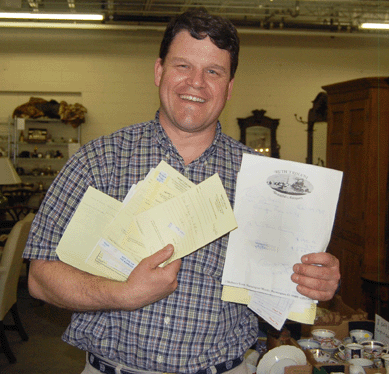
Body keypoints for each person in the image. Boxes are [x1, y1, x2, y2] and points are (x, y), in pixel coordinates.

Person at [23, 8, 341, 374]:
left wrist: (312, 280)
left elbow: (281, 283)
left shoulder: (262, 180)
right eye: (183, 66)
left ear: (229, 87)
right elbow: (40, 276)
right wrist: (121, 295)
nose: (196, 83)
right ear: (159, 71)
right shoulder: (99, 161)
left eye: (213, 71)